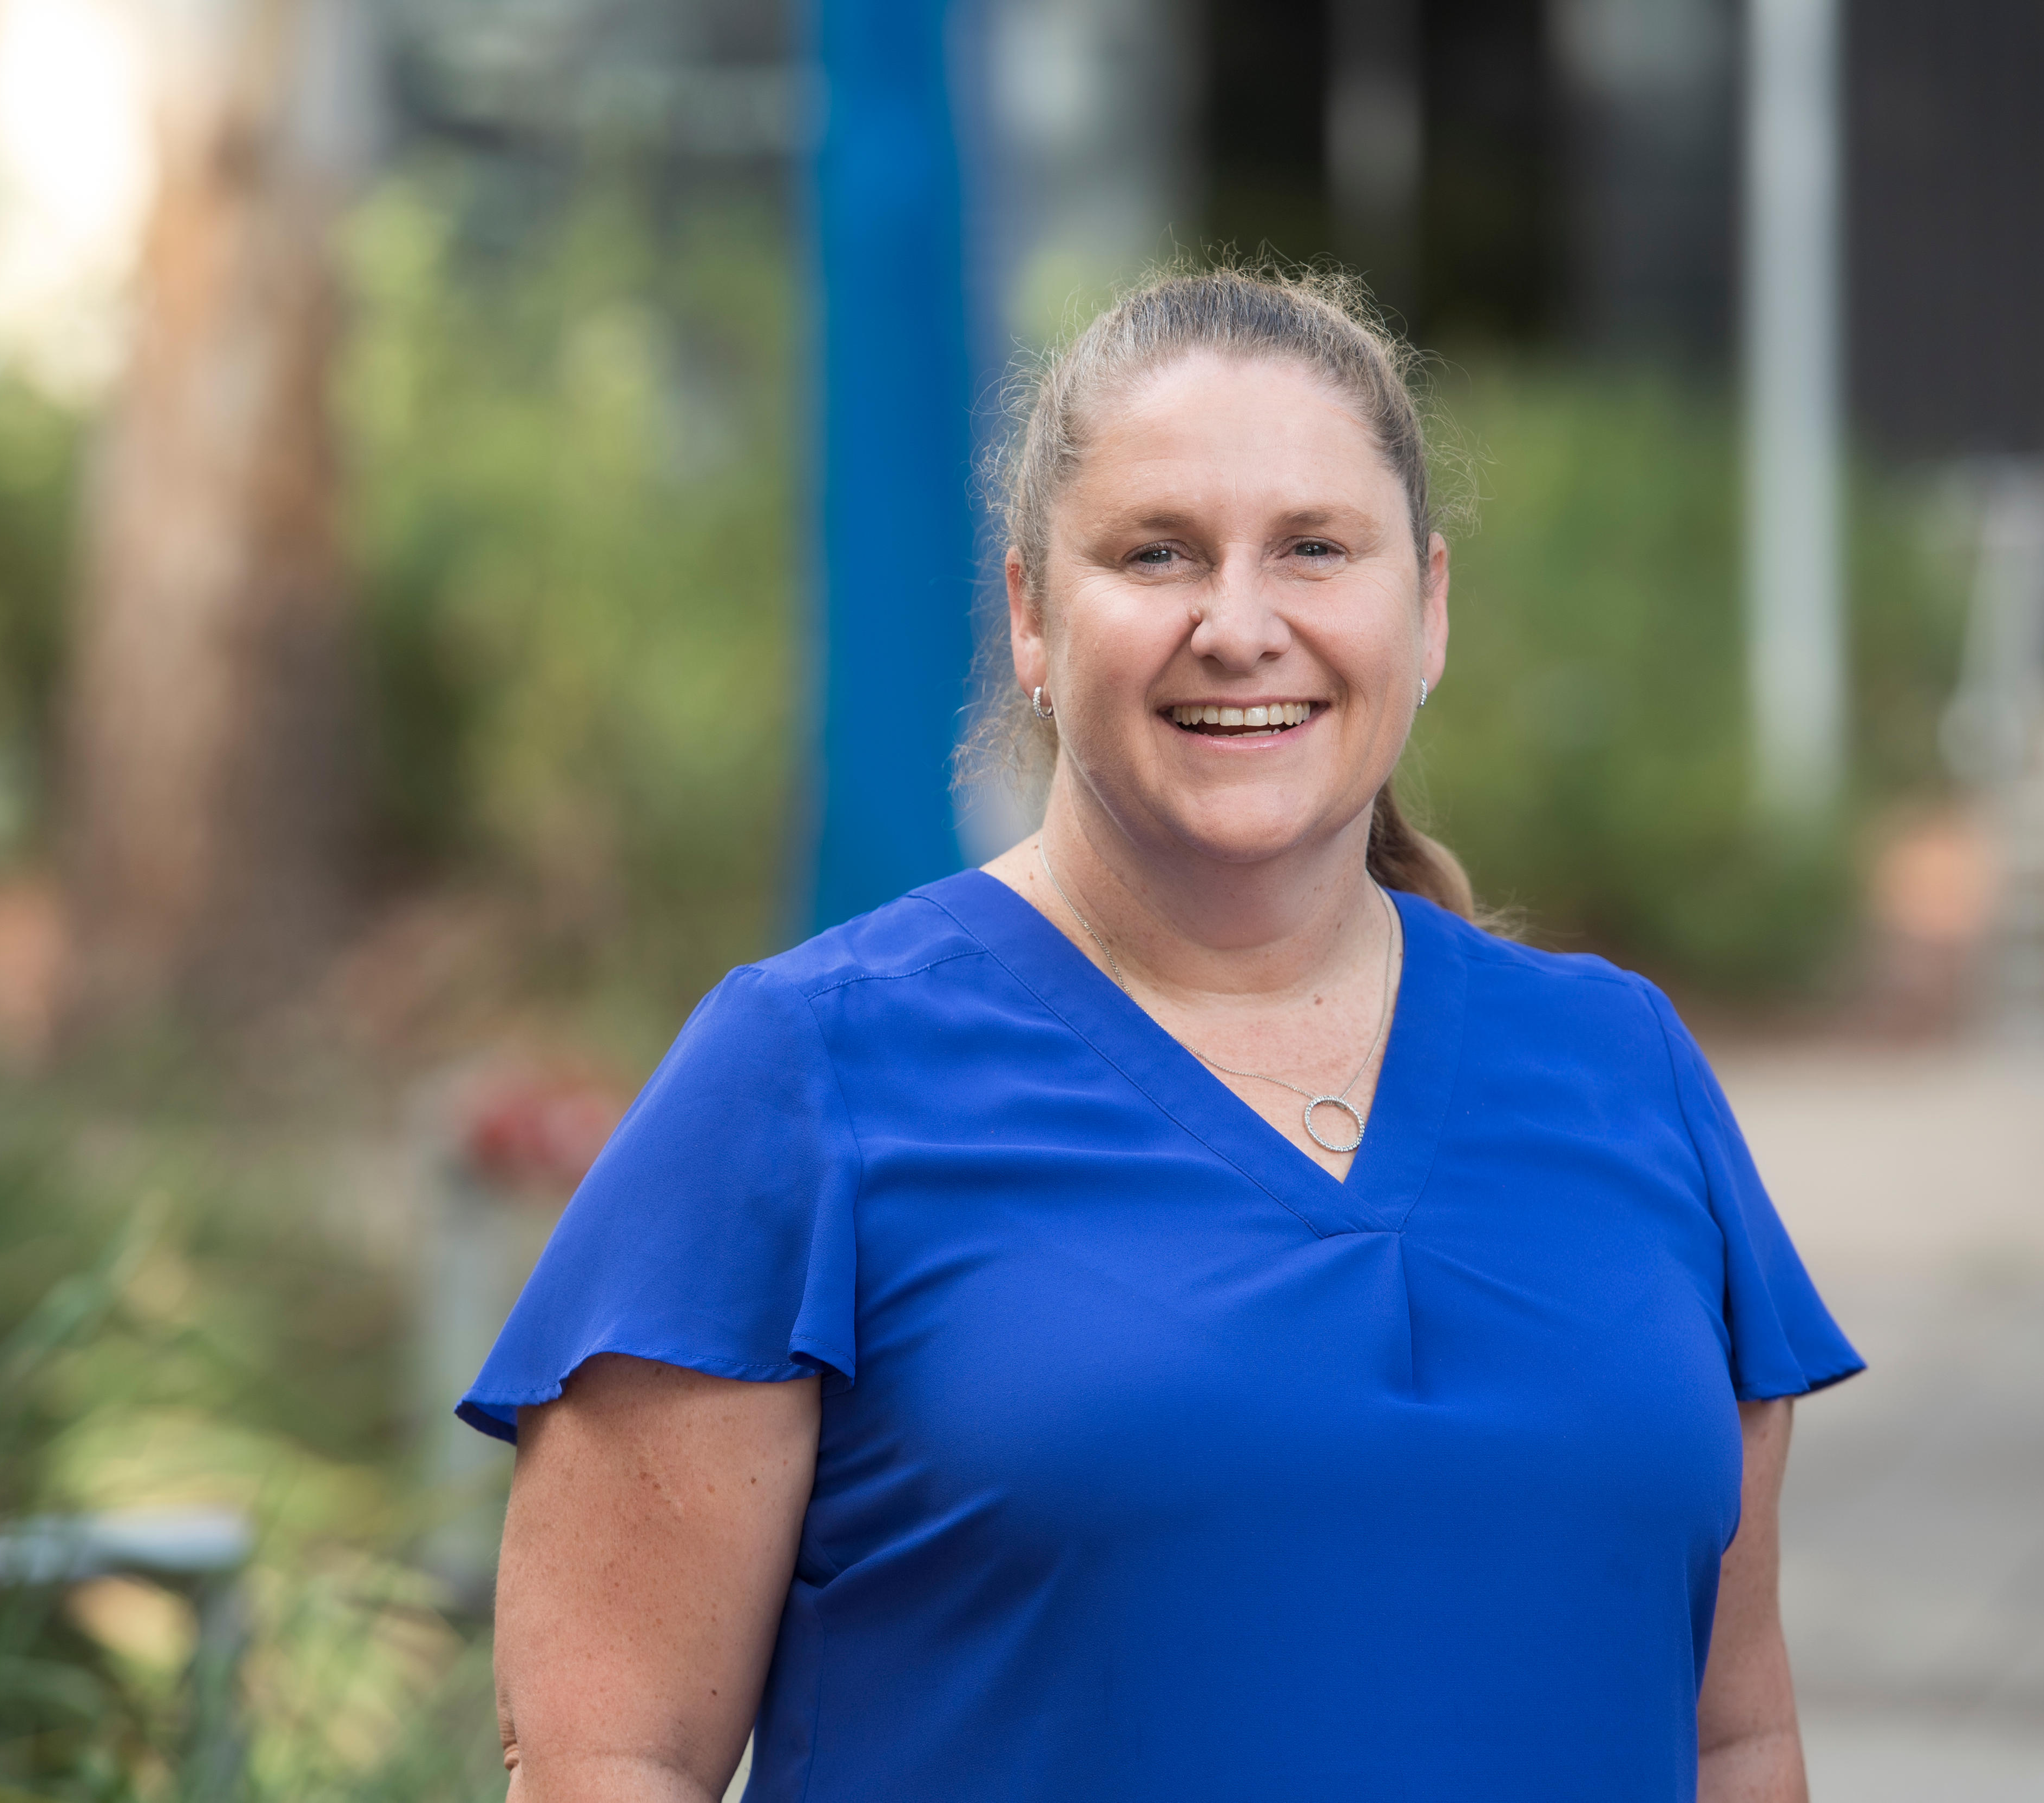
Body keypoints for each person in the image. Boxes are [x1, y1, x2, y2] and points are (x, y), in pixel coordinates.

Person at [457, 267, 1861, 1802]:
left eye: (1316, 549)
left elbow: (1735, 1737)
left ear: (1430, 607)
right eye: (1157, 554)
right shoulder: (806, 1079)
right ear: (1031, 619)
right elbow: (606, 1761)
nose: (1240, 625)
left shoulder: (1624, 1071)